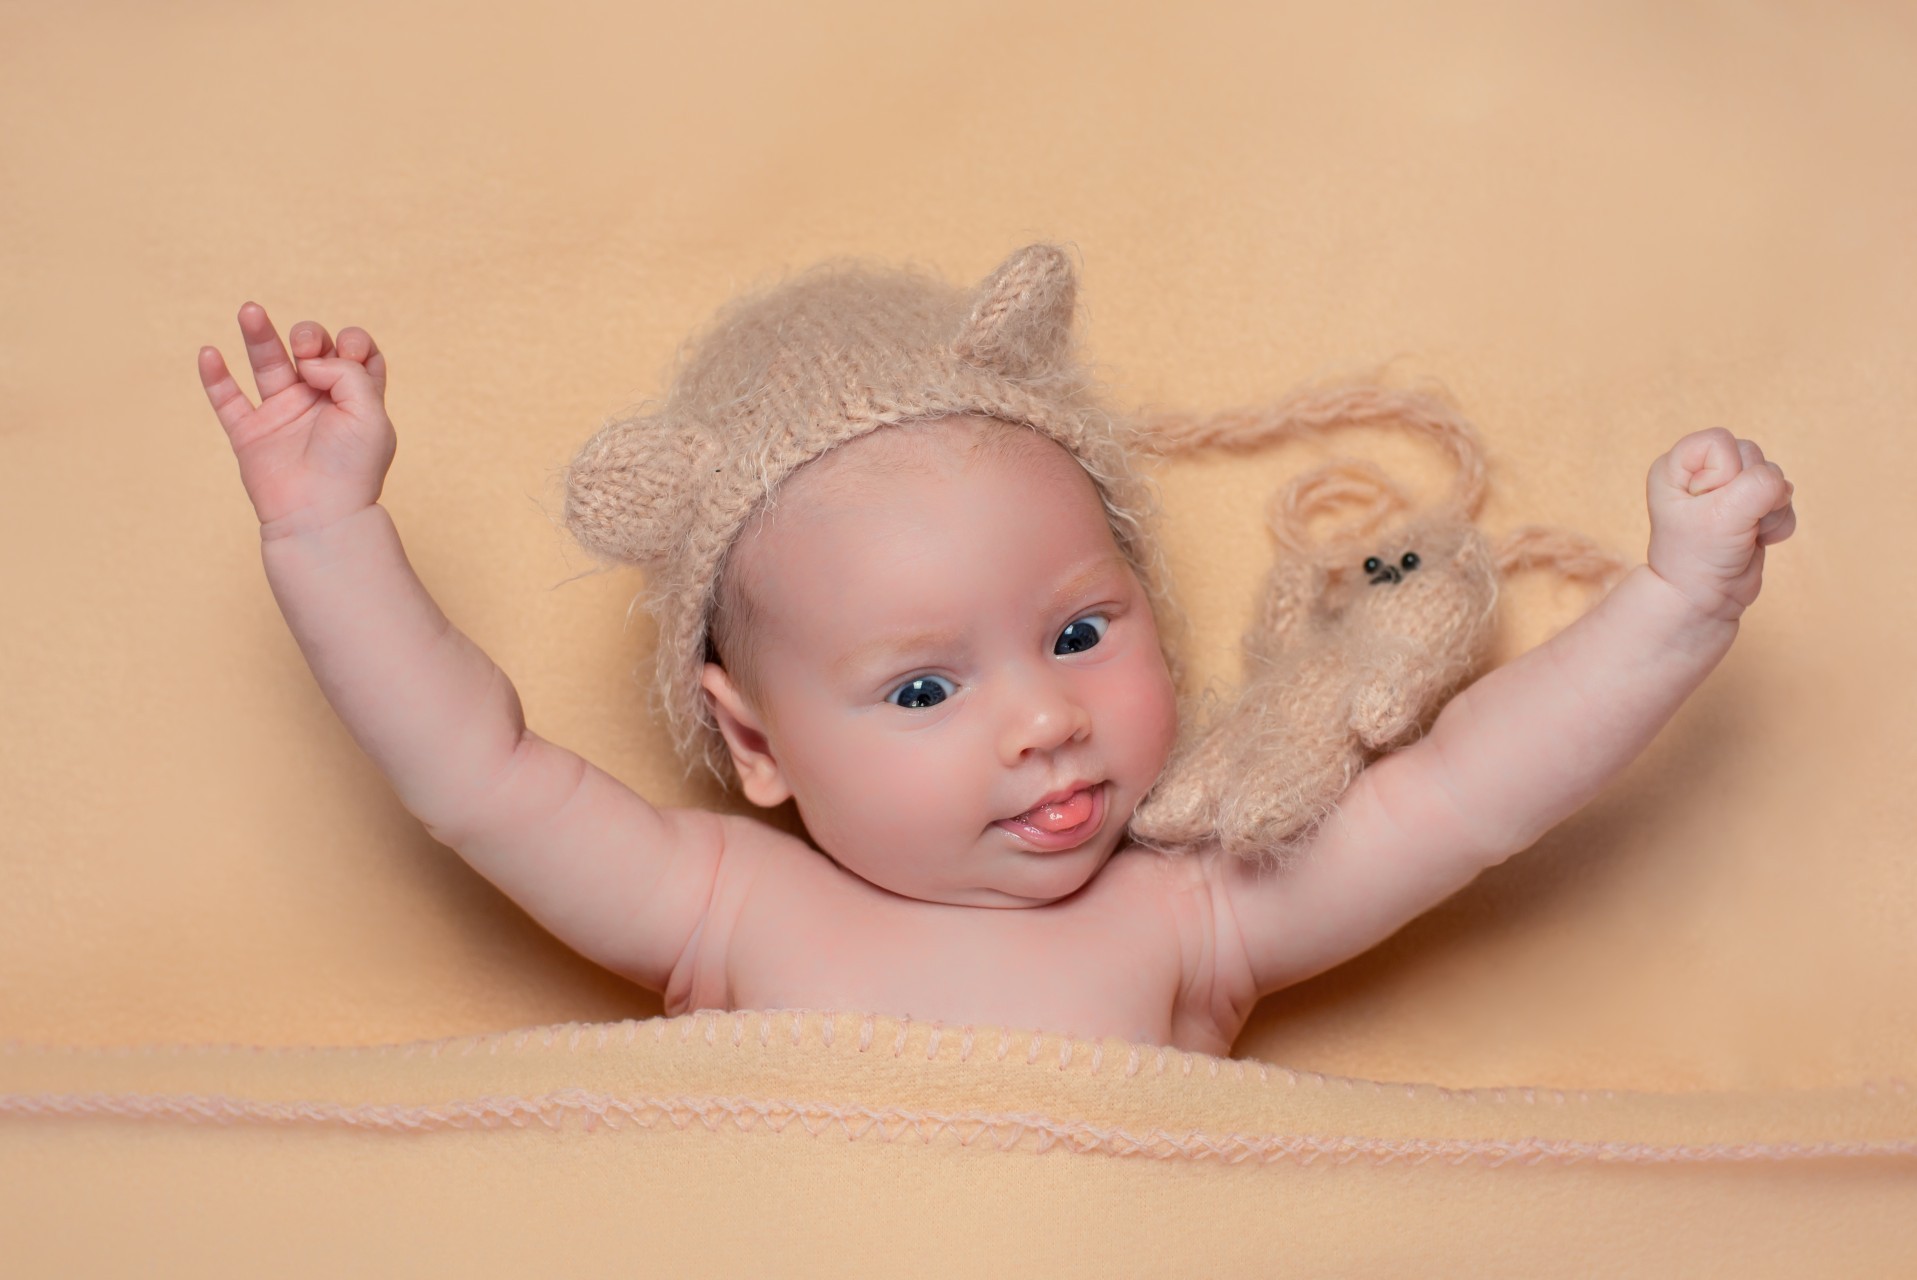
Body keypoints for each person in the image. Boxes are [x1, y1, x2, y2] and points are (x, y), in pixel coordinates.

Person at [195, 244, 1797, 1055]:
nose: (1041, 720)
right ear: (752, 742)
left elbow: (1461, 796)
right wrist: (328, 535)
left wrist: (1669, 607)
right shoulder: (724, 905)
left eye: (1080, 632)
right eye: (921, 687)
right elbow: (475, 774)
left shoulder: (1190, 910)